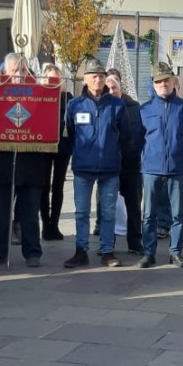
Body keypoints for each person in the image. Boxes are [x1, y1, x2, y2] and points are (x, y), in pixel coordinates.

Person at [63, 58, 132, 268]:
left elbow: (125, 135)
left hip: (110, 168)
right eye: (94, 76)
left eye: (101, 76)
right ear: (85, 79)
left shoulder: (117, 105)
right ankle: (81, 250)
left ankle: (107, 251)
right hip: (83, 168)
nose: (98, 80)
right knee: (81, 212)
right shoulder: (75, 105)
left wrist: (116, 155)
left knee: (108, 212)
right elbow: (69, 134)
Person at [0, 54, 47, 269]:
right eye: (14, 71)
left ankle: (33, 252)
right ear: (5, 72)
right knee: (1, 212)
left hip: (31, 162)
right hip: (2, 161)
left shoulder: (39, 92)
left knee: (30, 213)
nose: (19, 75)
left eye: (23, 71)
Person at [137, 62, 183, 268]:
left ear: (173, 82)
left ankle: (175, 252)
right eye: (159, 81)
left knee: (178, 214)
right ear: (154, 84)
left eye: (166, 80)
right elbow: (138, 138)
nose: (163, 84)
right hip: (151, 169)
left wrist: (182, 153)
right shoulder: (144, 109)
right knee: (149, 214)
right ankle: (149, 253)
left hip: (177, 168)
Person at [107, 75, 144, 254]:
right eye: (108, 89)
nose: (111, 91)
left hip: (131, 164)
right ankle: (108, 243)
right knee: (108, 206)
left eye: (114, 87)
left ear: (120, 89)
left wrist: (137, 151)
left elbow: (142, 132)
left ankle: (135, 242)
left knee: (134, 205)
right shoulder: (102, 107)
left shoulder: (135, 108)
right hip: (109, 166)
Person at [40, 64, 73, 241]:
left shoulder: (68, 98)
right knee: (44, 185)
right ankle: (46, 225)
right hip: (45, 146)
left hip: (63, 146)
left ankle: (55, 224)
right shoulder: (40, 96)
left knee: (58, 186)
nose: (54, 82)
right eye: (50, 79)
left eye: (57, 79)